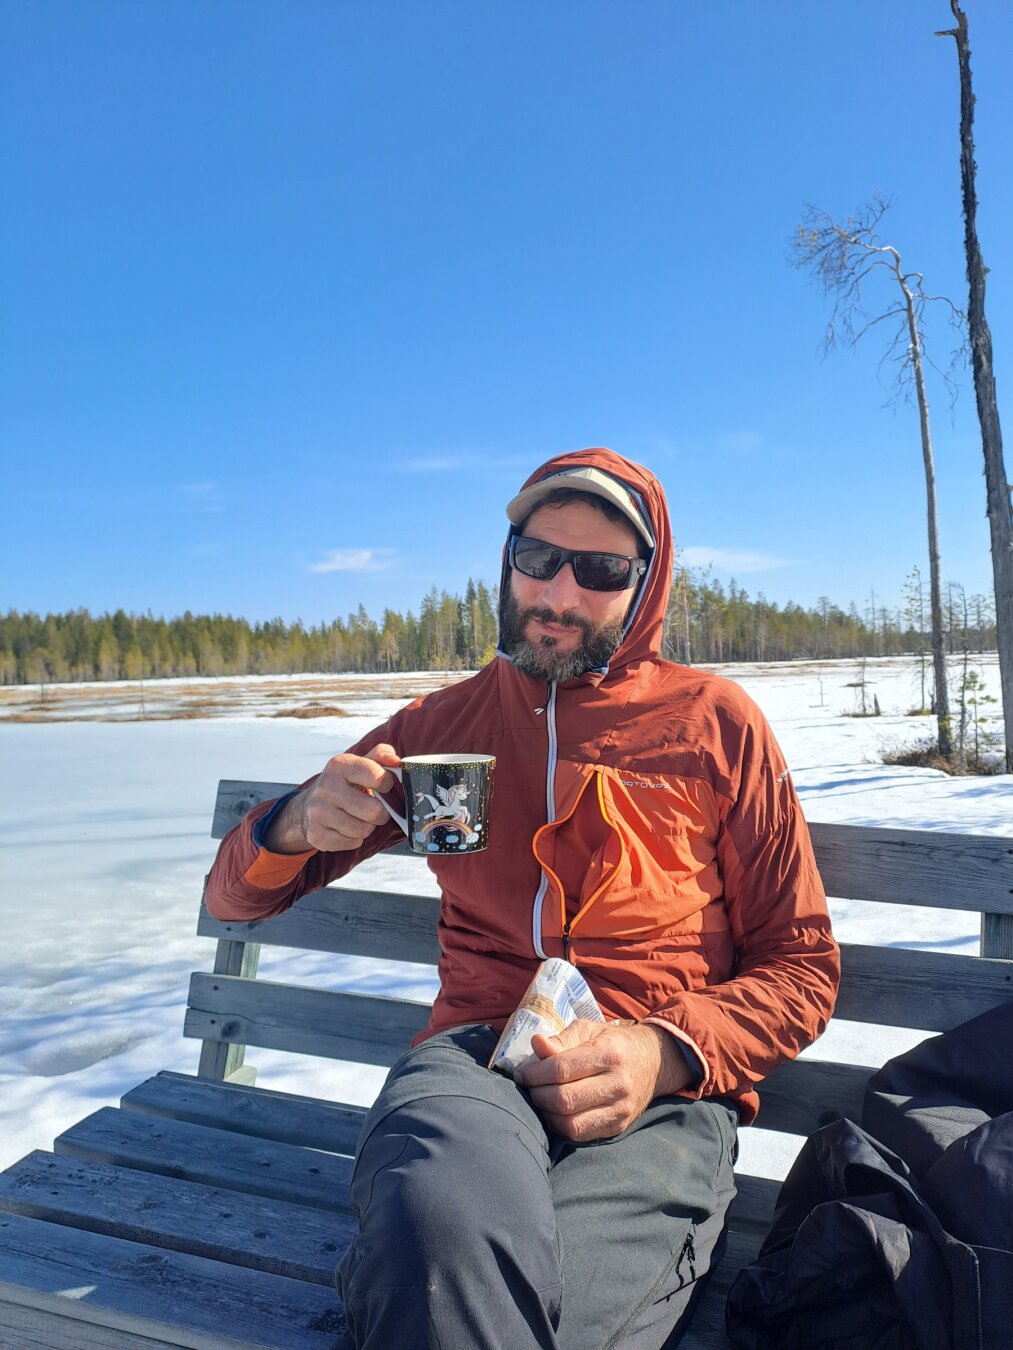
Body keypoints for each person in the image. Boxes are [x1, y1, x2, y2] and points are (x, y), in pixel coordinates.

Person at [205, 447, 840, 1350]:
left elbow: (800, 969)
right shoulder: (442, 728)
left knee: (529, 1312)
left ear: (646, 585)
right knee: (438, 1228)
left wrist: (662, 1051)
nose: (558, 593)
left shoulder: (714, 724)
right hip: (474, 1063)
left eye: (601, 571)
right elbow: (234, 901)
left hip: (658, 1097)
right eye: (539, 558)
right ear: (507, 561)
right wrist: (296, 823)